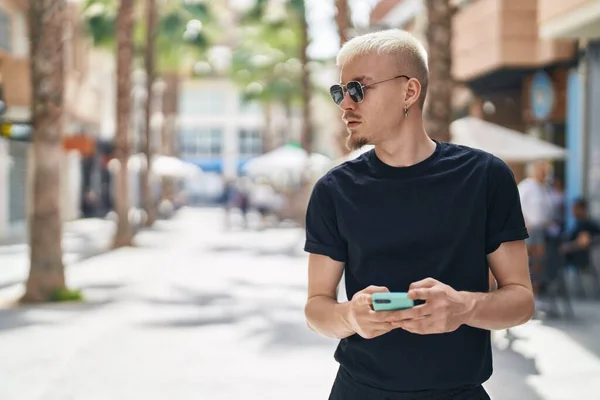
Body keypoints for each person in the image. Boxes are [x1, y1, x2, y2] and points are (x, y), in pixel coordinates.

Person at [303, 29, 534, 400]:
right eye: (339, 91)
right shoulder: (333, 190)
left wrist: (463, 308)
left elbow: (521, 300)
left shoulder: (486, 177)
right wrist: (351, 317)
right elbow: (317, 307)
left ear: (409, 92)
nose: (345, 104)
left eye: (358, 89)